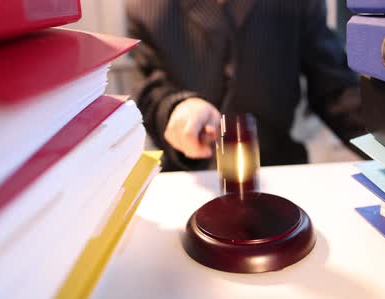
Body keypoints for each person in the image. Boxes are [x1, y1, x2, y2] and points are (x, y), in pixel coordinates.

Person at [125, 0, 365, 171]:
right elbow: (149, 90)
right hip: (188, 178)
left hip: (278, 170)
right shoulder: (145, 7)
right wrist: (176, 107)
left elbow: (336, 89)